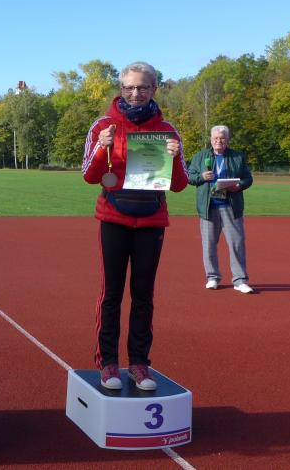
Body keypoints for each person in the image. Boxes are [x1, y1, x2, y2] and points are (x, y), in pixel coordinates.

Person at [82, 62, 188, 390]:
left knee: (143, 295)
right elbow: (89, 175)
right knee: (111, 294)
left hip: (151, 221)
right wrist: (100, 147)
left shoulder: (167, 130)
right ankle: (108, 363)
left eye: (142, 87)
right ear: (121, 88)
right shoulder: (103, 125)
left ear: (154, 89)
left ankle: (139, 364)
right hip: (113, 217)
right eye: (129, 87)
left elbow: (179, 185)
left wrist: (175, 157)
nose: (135, 93)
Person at [187, 125, 254, 293]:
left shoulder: (238, 156)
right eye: (216, 138)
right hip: (208, 206)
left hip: (231, 206)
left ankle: (239, 280)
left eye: (222, 138)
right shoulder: (199, 156)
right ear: (211, 140)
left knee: (237, 243)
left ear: (227, 140)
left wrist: (239, 185)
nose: (219, 141)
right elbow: (189, 176)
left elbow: (248, 178)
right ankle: (212, 277)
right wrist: (201, 177)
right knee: (209, 244)